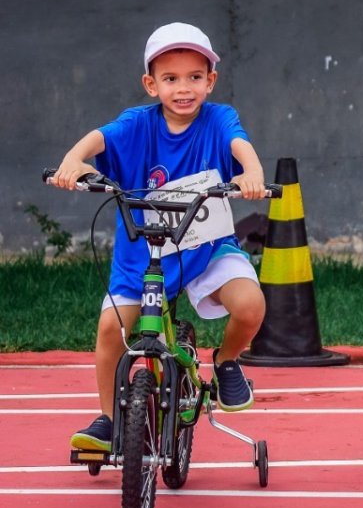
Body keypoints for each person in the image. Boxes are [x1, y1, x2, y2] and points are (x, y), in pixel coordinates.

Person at [51, 22, 269, 452]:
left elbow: (239, 145)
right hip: (144, 250)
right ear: (151, 84)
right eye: (170, 79)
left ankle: (226, 361)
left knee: (250, 305)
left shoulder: (219, 119)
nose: (183, 88)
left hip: (205, 247)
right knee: (111, 329)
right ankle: (110, 420)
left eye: (194, 77)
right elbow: (99, 139)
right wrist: (72, 161)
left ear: (211, 80)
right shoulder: (137, 124)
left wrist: (253, 174)